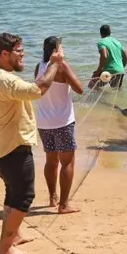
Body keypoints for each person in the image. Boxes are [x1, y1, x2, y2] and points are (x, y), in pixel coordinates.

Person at [0, 32, 64, 254]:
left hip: (0, 146)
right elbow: (39, 89)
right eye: (19, 50)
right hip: (13, 147)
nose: (23, 54)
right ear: (4, 54)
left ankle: (14, 235)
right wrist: (55, 63)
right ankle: (5, 247)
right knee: (24, 197)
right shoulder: (5, 79)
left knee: (12, 192)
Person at [35, 36, 85, 213]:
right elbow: (79, 89)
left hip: (43, 121)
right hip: (62, 121)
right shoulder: (62, 66)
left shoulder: (39, 66)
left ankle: (52, 197)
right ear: (56, 50)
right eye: (61, 47)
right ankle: (63, 205)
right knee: (67, 163)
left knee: (51, 161)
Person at [90, 24, 127, 88]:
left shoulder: (101, 42)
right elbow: (126, 57)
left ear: (100, 33)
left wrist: (98, 71)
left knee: (92, 85)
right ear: (110, 32)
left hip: (108, 71)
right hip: (120, 71)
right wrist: (120, 68)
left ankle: (102, 97)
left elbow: (104, 56)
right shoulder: (117, 42)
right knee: (116, 91)